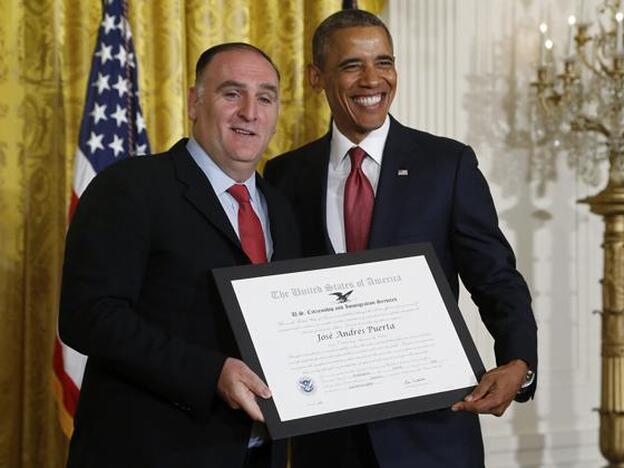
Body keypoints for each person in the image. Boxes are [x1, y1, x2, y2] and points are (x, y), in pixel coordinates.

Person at [263, 9, 537, 468]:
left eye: (384, 62)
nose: (373, 80)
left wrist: (518, 363)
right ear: (316, 77)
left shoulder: (446, 165)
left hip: (432, 434)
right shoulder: (286, 174)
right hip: (328, 439)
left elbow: (496, 279)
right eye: (352, 65)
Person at [59, 43, 299, 468]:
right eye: (232, 93)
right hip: (148, 452)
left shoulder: (280, 207)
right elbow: (88, 316)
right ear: (193, 102)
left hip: (259, 455)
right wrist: (210, 374)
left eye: (265, 97)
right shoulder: (131, 186)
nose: (250, 111)